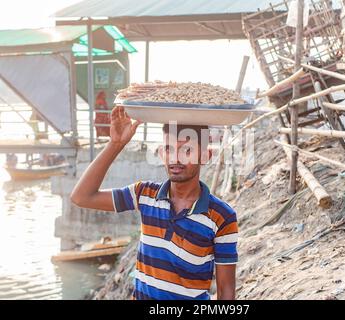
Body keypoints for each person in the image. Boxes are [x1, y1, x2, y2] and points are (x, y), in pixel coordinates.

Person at [70, 106, 238, 300]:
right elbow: (81, 197)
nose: (176, 158)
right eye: (169, 148)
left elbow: (226, 293)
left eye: (187, 149)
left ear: (205, 155)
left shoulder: (222, 217)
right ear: (161, 153)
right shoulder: (144, 194)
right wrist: (115, 144)